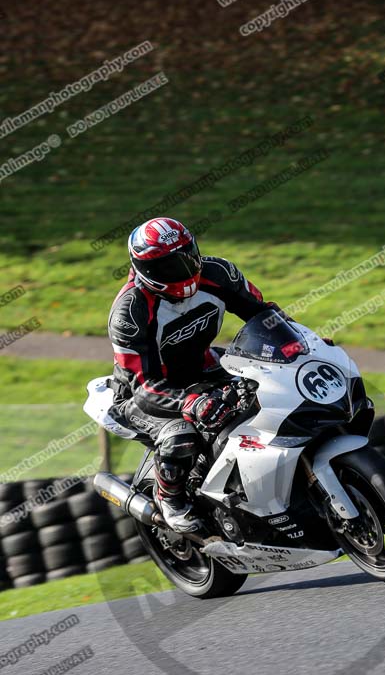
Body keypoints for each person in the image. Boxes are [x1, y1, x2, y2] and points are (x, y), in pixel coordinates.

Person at [107, 216, 279, 534]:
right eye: (170, 266)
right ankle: (169, 498)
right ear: (146, 271)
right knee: (180, 436)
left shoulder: (217, 273)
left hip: (204, 368)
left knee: (273, 390)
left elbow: (263, 313)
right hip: (146, 394)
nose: (185, 269)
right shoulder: (130, 312)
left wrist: (298, 342)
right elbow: (142, 384)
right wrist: (192, 403)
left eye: (187, 255)